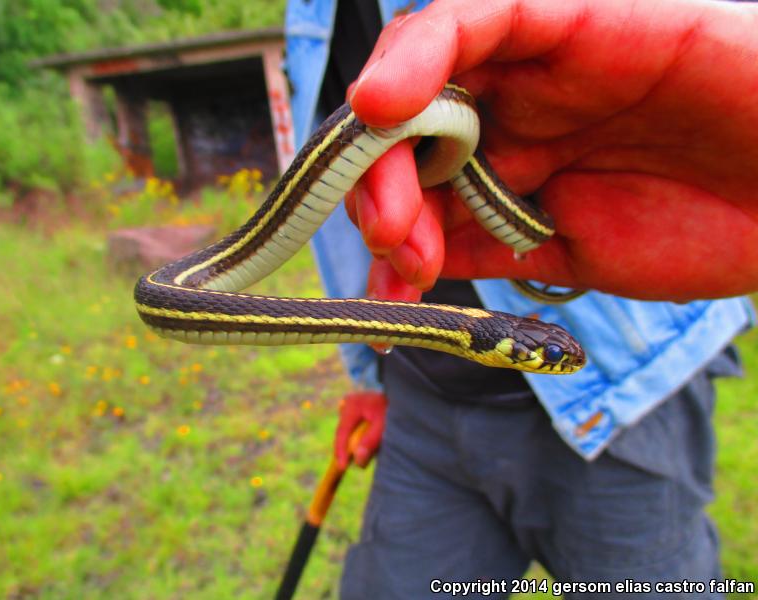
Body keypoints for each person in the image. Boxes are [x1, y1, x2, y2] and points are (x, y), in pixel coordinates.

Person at [284, 0, 757, 597]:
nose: (553, 351)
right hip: (422, 400)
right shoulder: (309, 12)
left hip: (625, 404)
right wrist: (369, 379)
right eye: (545, 352)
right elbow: (342, 199)